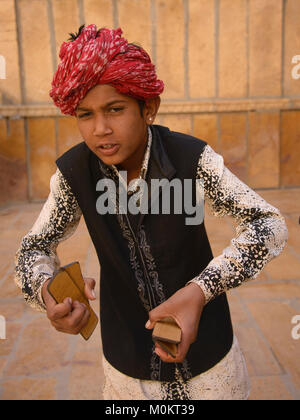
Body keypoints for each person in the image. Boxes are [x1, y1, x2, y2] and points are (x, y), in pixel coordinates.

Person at [15, 25, 288, 400]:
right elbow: (34, 248)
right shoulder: (74, 173)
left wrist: (200, 291)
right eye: (85, 114)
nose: (100, 129)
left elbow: (267, 224)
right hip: (128, 370)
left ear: (149, 108)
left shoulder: (191, 158)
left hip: (210, 362)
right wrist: (47, 291)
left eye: (115, 109)